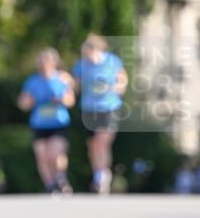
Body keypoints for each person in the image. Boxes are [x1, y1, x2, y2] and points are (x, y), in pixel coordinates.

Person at [72, 35, 127, 194]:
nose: (86, 55)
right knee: (92, 145)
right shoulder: (81, 65)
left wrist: (119, 86)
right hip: (89, 109)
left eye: (88, 51)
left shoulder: (112, 61)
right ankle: (98, 173)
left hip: (109, 107)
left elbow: (122, 78)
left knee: (102, 140)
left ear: (97, 49)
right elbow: (76, 85)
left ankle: (103, 174)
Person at [17, 48, 75, 194]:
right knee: (42, 155)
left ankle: (60, 178)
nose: (44, 64)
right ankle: (50, 184)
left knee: (56, 154)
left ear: (54, 62)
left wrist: (61, 99)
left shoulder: (62, 78)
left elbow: (70, 100)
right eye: (41, 62)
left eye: (47, 61)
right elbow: (22, 103)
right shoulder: (33, 81)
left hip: (58, 123)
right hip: (39, 124)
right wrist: (29, 101)